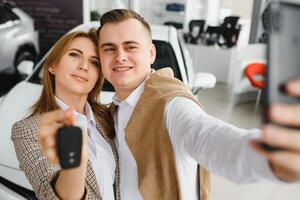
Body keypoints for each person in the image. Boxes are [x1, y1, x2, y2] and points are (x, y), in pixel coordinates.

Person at [97, 9, 300, 200]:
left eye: (130, 46)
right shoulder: (110, 111)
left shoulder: (171, 104)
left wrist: (272, 157)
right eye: (109, 49)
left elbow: (212, 138)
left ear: (151, 54)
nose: (120, 56)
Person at [11, 29, 119, 199]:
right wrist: (76, 156)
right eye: (75, 55)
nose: (84, 66)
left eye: (94, 62)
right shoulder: (28, 131)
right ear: (53, 65)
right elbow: (51, 194)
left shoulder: (109, 116)